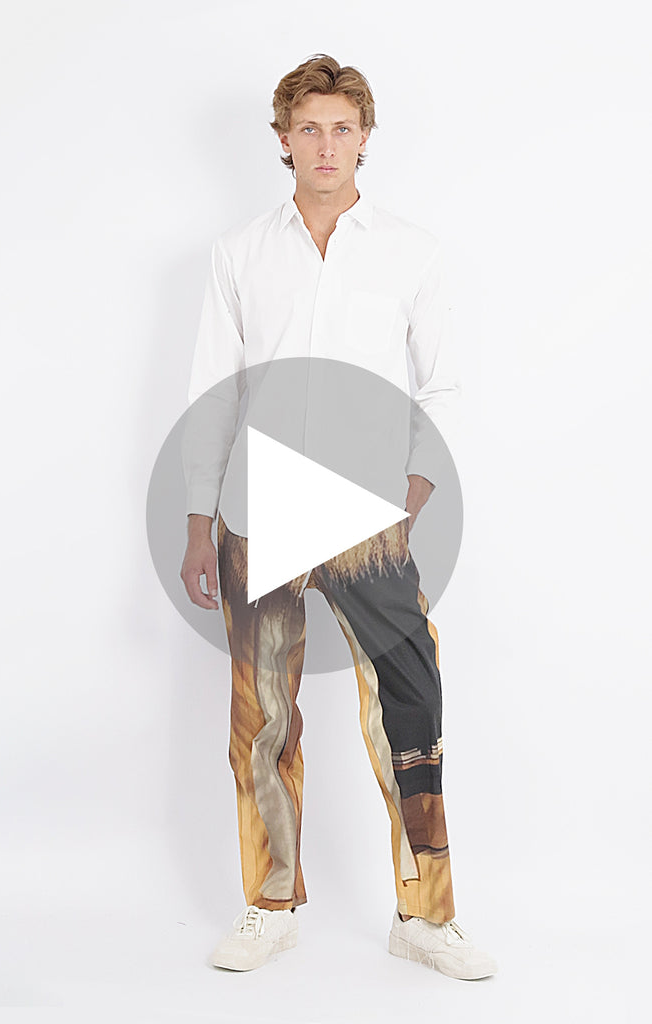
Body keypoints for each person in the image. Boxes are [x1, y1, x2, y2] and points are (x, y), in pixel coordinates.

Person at [180, 54, 498, 981]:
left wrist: (414, 488)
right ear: (283, 142)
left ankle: (424, 917)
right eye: (309, 129)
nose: (326, 145)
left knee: (410, 705)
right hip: (258, 512)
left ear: (365, 138)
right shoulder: (240, 252)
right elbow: (212, 389)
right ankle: (268, 904)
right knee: (262, 721)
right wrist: (199, 519)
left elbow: (443, 384)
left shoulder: (410, 250)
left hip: (367, 518)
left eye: (342, 128)